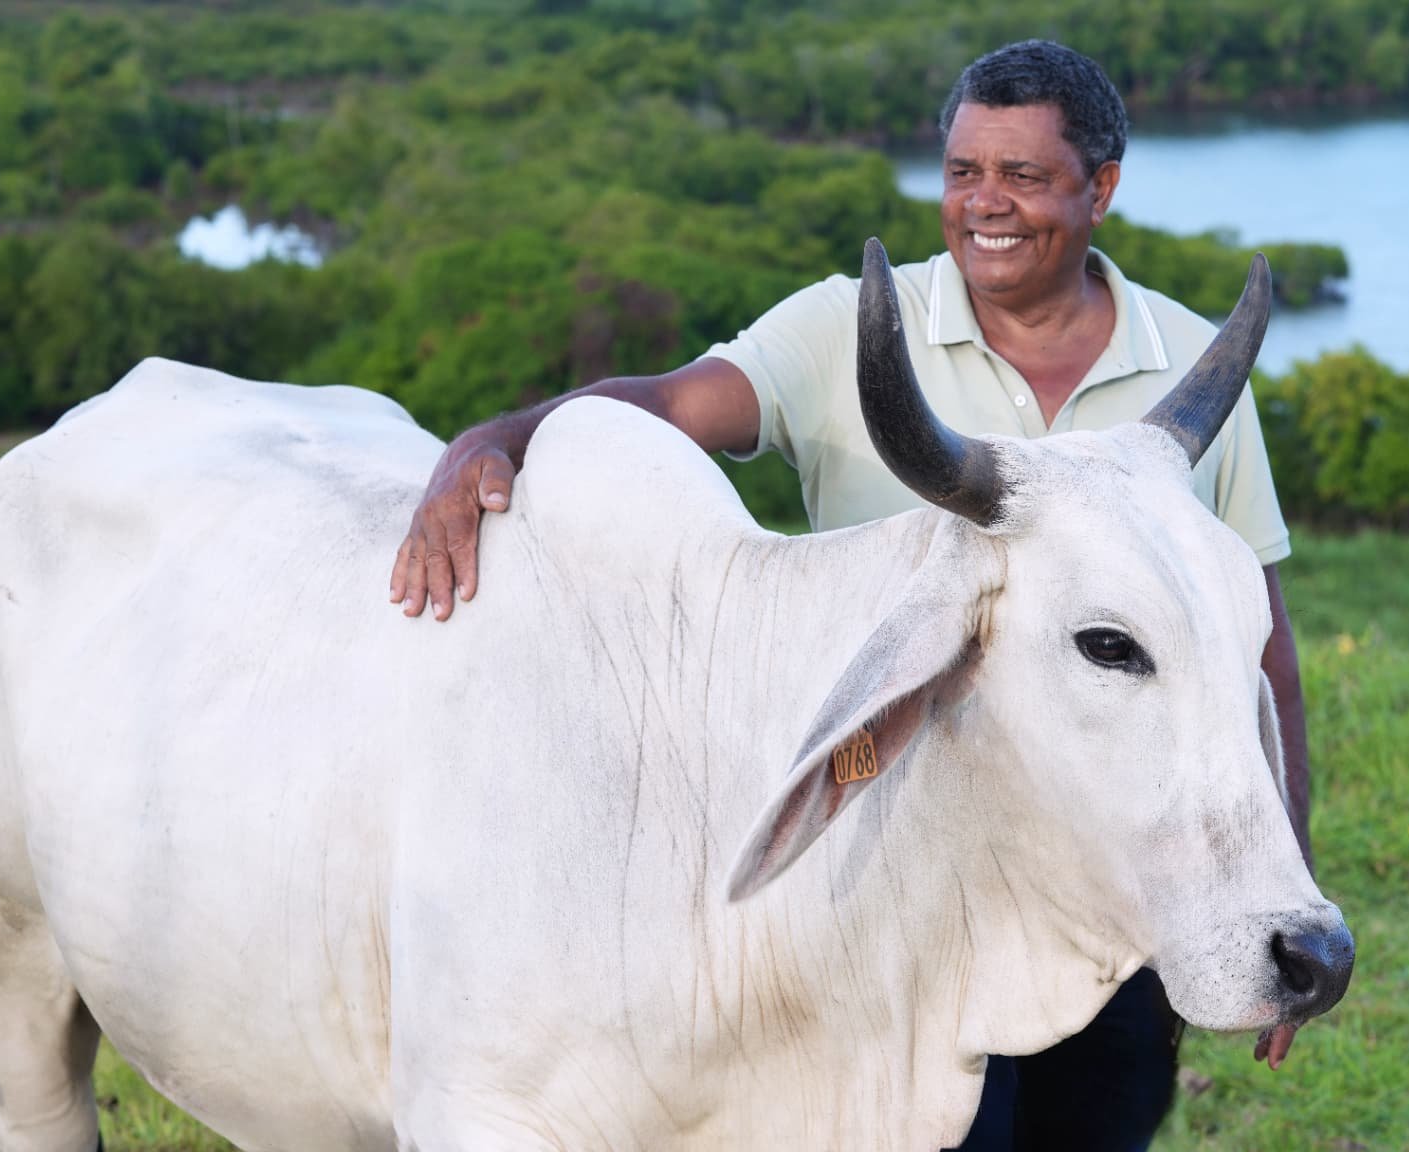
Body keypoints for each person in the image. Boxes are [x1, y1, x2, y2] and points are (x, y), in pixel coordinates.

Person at [390, 38, 1312, 1152]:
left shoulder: (1187, 370)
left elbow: (1254, 649)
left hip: (1105, 878)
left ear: (1099, 189)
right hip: (885, 877)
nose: (985, 205)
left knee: (1098, 1128)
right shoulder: (843, 330)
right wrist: (490, 442)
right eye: (963, 171)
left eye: (1022, 175)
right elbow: (669, 405)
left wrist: (1278, 894)